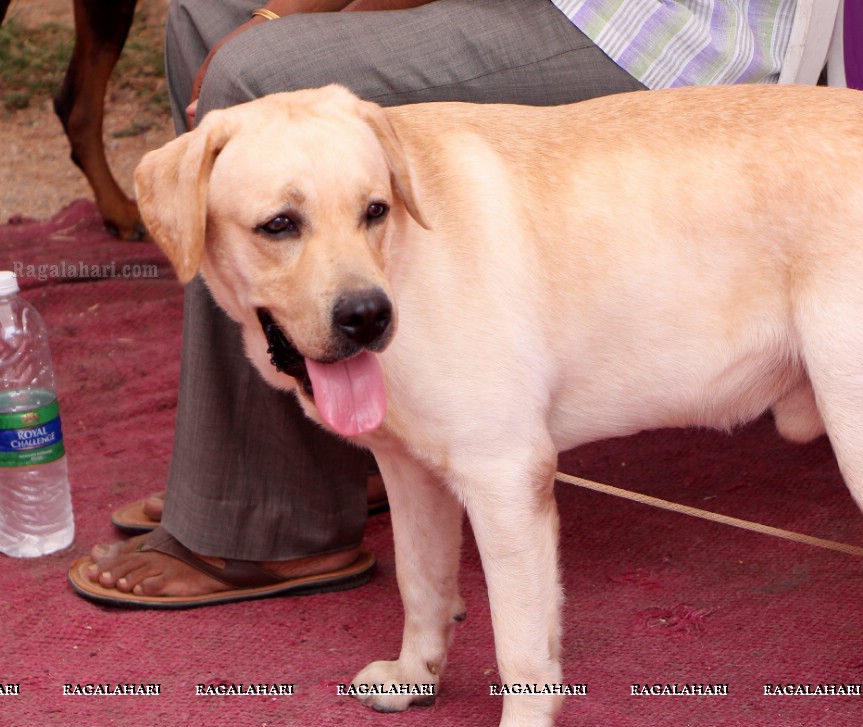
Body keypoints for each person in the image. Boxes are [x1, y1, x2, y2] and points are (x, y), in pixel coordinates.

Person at [70, 0, 822, 607]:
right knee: (206, 10)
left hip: (658, 25)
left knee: (249, 66)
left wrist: (300, 12)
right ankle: (294, 467)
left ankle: (266, 522)